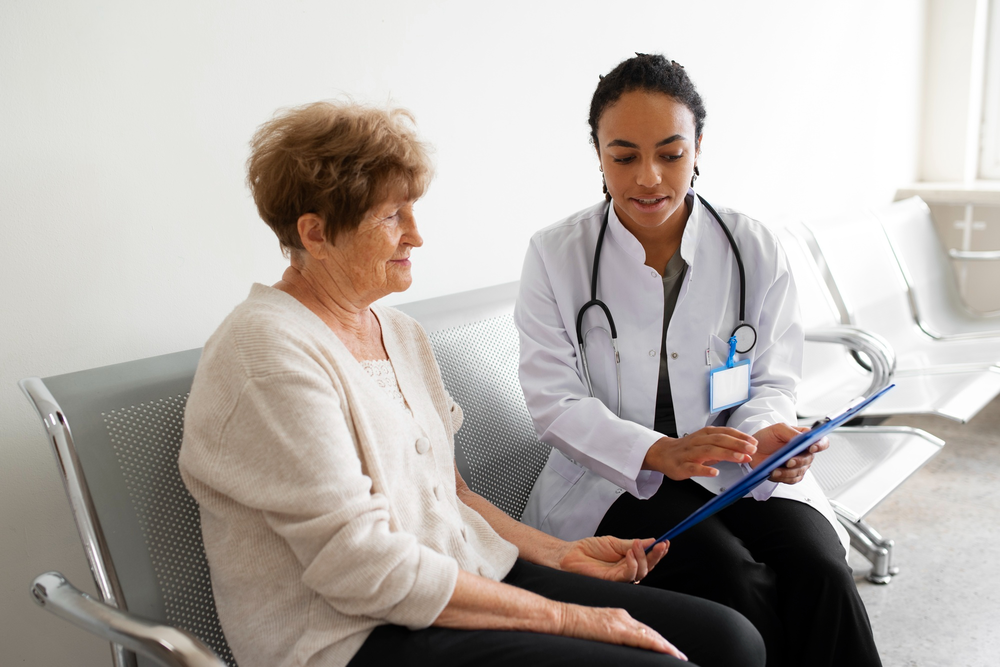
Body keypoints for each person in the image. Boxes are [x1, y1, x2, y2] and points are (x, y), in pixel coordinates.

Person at [178, 100, 766, 667]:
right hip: (354, 635)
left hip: (464, 572)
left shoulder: (398, 332)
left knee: (731, 640)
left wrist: (562, 555)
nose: (416, 236)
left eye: (412, 211)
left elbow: (452, 495)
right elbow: (366, 571)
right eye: (391, 217)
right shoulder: (267, 356)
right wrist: (569, 619)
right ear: (315, 233)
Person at [514, 54, 881, 667]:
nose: (649, 178)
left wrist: (760, 438)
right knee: (731, 581)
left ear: (699, 147)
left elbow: (773, 377)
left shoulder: (753, 246)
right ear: (598, 155)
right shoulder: (556, 254)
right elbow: (554, 402)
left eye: (671, 153)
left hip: (739, 465)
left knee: (822, 571)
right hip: (621, 475)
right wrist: (660, 452)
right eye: (624, 156)